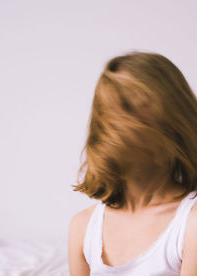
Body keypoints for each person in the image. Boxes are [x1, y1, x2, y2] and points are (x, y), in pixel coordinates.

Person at [68, 51, 197, 276]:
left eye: (133, 106)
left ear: (174, 121)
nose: (118, 122)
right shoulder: (83, 227)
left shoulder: (190, 224)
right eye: (110, 110)